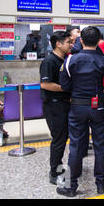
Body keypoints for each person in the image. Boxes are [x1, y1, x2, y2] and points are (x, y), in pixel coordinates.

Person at [58, 26, 104, 197]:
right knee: (100, 144)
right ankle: (102, 183)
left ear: (81, 41)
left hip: (77, 107)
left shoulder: (70, 60)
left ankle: (71, 186)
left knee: (76, 145)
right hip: (98, 107)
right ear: (99, 40)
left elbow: (64, 85)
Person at [39, 31, 73, 185]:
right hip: (53, 105)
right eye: (68, 42)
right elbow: (45, 84)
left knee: (63, 137)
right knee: (58, 139)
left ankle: (59, 168)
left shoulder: (65, 60)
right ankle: (54, 173)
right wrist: (66, 88)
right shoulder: (49, 61)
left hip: (64, 103)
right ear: (58, 44)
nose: (71, 45)